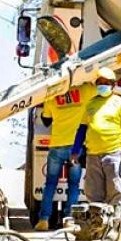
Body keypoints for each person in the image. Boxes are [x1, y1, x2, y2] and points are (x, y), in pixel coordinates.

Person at [70, 67, 121, 233]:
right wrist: (75, 151)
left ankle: (113, 227)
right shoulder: (91, 104)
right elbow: (82, 129)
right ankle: (97, 228)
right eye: (100, 83)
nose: (102, 86)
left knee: (115, 191)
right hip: (93, 155)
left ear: (113, 85)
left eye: (106, 83)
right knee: (93, 193)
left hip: (114, 153)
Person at [34, 82, 97, 231]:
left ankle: (44, 220)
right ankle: (69, 219)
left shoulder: (53, 95)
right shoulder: (86, 90)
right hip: (76, 147)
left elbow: (46, 120)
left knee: (50, 184)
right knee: (74, 185)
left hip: (56, 145)